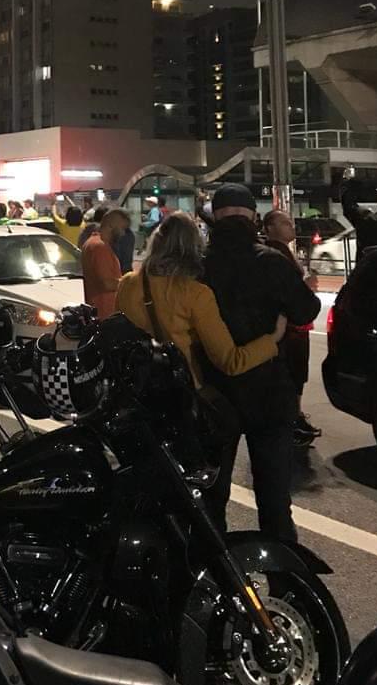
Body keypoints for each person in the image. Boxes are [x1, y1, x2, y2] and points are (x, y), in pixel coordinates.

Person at [202, 185, 321, 542]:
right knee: (273, 497)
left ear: (215, 216)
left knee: (212, 494)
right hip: (270, 391)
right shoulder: (269, 260)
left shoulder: (198, 263)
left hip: (214, 392)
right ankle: (286, 585)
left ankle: (212, 582)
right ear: (252, 216)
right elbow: (306, 310)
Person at [118, 211, 283, 386]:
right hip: (177, 390)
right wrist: (273, 339)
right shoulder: (195, 294)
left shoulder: (127, 283)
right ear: (193, 248)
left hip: (136, 387)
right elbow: (230, 361)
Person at [263, 209, 322, 447]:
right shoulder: (274, 254)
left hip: (296, 325)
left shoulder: (284, 252)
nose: (291, 226)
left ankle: (295, 416)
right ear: (269, 228)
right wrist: (305, 286)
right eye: (284, 223)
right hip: (290, 327)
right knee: (293, 373)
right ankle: (292, 419)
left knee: (297, 373)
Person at [82, 207, 130, 318]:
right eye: (122, 228)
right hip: (105, 312)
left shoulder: (91, 243)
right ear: (111, 225)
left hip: (99, 311)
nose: (123, 233)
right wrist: (131, 282)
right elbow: (107, 284)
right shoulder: (100, 247)